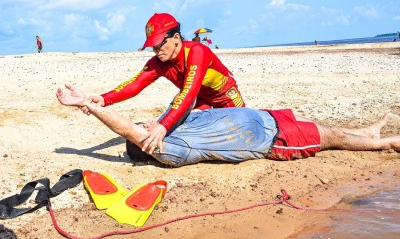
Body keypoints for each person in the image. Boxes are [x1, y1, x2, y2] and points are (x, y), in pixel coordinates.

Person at [56, 84, 400, 167]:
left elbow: (138, 124)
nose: (143, 123)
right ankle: (383, 143)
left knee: (324, 126)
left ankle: (368, 132)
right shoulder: (169, 151)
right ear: (147, 145)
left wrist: (100, 101)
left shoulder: (167, 127)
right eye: (141, 129)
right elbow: (127, 131)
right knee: (331, 137)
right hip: (272, 139)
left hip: (266, 117)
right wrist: (87, 103)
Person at [80, 13, 245, 154]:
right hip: (200, 100)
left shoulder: (197, 52)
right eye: (153, 46)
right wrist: (103, 99)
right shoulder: (158, 62)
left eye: (160, 44)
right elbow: (134, 85)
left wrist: (163, 125)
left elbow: (189, 90)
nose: (157, 50)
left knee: (241, 134)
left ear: (176, 38)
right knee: (182, 132)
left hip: (225, 97)